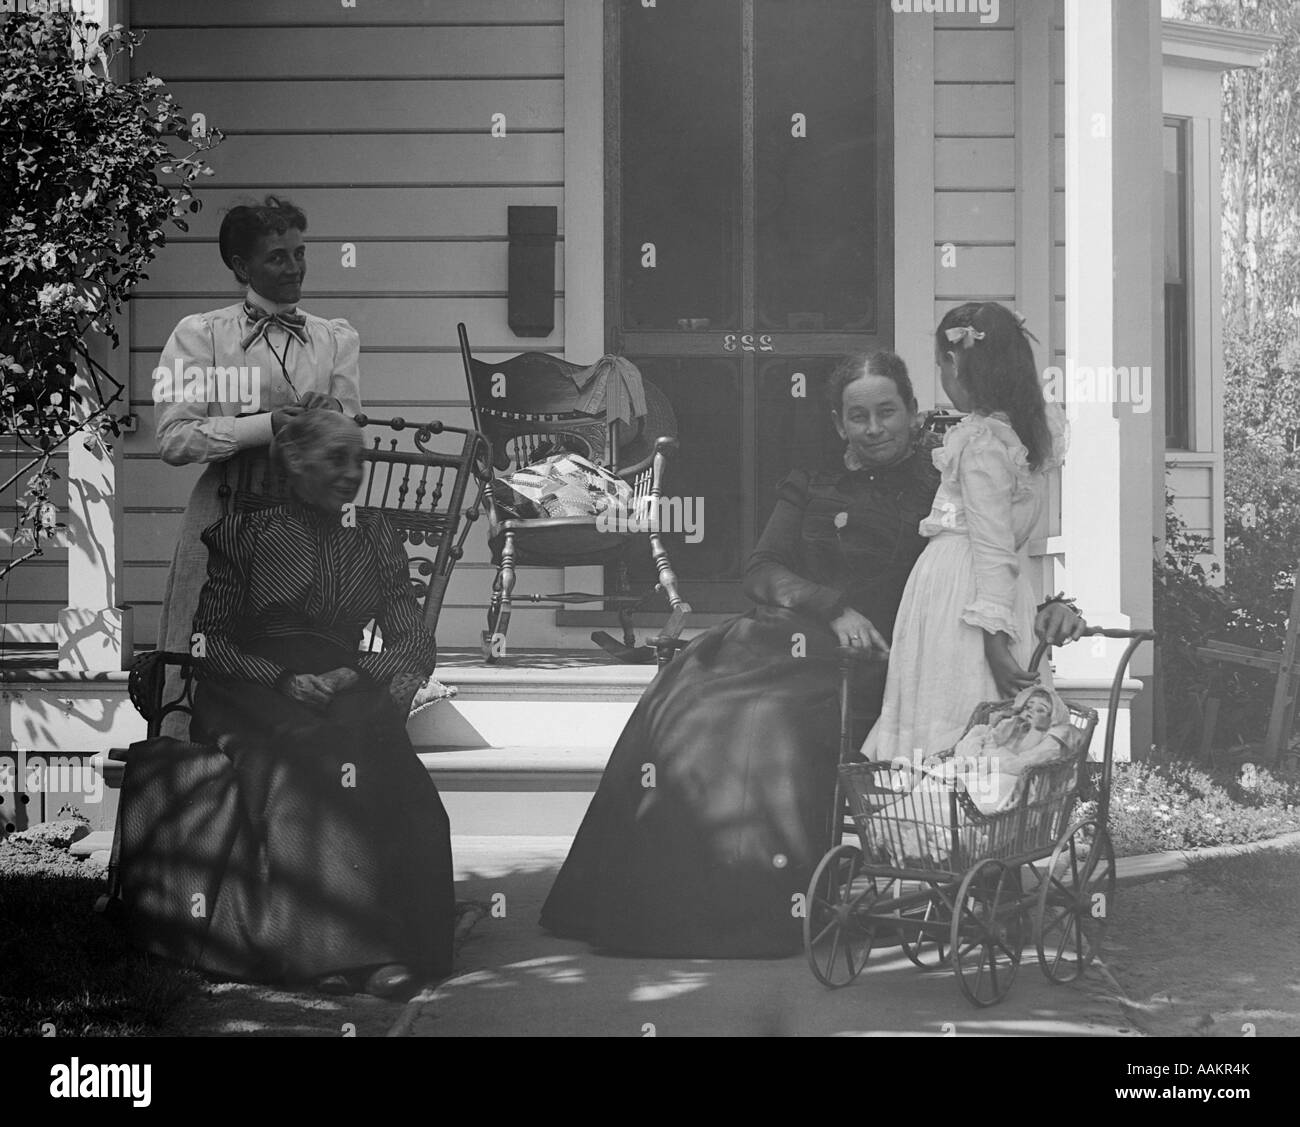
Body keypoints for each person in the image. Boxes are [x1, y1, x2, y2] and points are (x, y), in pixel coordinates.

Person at [540, 350, 1084, 958]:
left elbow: (990, 561)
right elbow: (760, 569)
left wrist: (1052, 607)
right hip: (783, 633)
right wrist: (830, 606)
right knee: (684, 695)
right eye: (858, 416)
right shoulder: (813, 481)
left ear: (911, 412)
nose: (874, 428)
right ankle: (639, 903)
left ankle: (746, 912)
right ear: (838, 423)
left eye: (887, 412)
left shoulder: (942, 482)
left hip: (875, 658)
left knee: (762, 718)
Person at [179, 409, 454, 996]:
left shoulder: (374, 534)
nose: (352, 473)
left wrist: (357, 673)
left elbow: (413, 640)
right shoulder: (245, 534)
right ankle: (333, 954)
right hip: (252, 689)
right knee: (312, 756)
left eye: (359, 460)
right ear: (296, 462)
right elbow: (207, 642)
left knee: (392, 771)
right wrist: (279, 678)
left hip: (344, 680)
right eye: (336, 459)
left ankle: (395, 947)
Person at [153, 195, 361, 736]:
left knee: (300, 648)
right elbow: (174, 439)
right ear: (242, 267)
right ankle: (190, 761)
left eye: (299, 253)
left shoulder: (333, 337)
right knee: (205, 640)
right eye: (277, 258)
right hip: (224, 514)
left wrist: (329, 416)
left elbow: (350, 422)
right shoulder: (201, 336)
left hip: (305, 520)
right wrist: (265, 425)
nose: (294, 269)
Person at [863, 303, 1069, 765]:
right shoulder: (1021, 436)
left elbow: (993, 547)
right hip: (996, 591)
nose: (942, 376)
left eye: (941, 366)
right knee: (978, 715)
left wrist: (994, 643)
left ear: (956, 364)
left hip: (965, 596)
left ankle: (939, 815)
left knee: (957, 707)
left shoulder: (982, 445)